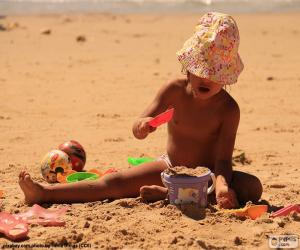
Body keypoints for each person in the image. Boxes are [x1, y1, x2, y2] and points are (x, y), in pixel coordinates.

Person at [19, 12, 262, 209]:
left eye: (215, 73)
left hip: (205, 178)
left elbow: (222, 161)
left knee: (253, 187)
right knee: (114, 182)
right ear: (188, 65)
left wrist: (221, 187)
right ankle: (44, 193)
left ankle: (169, 196)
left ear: (226, 77)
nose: (206, 77)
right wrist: (143, 126)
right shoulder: (173, 91)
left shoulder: (229, 110)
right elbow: (138, 126)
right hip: (170, 168)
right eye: (201, 68)